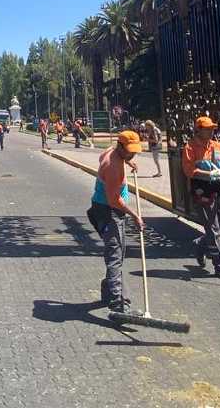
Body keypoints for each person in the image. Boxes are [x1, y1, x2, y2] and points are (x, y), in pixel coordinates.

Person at [86, 131, 143, 312]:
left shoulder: (111, 151)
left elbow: (111, 156)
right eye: (129, 151)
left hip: (103, 208)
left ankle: (108, 288)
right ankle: (118, 303)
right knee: (115, 256)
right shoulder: (112, 166)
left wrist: (128, 161)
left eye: (134, 151)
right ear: (120, 146)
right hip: (108, 211)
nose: (132, 154)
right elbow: (114, 200)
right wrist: (135, 215)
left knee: (117, 253)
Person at [183, 116, 220, 281]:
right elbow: (189, 170)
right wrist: (210, 174)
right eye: (207, 128)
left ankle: (200, 244)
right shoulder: (190, 147)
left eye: (212, 128)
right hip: (202, 194)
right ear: (198, 129)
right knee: (214, 231)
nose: (211, 131)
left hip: (218, 191)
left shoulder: (217, 146)